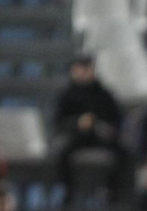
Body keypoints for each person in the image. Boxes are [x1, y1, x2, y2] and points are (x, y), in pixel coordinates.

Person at [51, 56, 129, 199]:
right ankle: (67, 192)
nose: (83, 72)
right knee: (61, 153)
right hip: (76, 136)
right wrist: (77, 123)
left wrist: (102, 125)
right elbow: (58, 122)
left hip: (99, 135)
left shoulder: (103, 94)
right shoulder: (66, 94)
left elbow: (116, 119)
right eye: (80, 68)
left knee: (124, 153)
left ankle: (114, 192)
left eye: (87, 68)